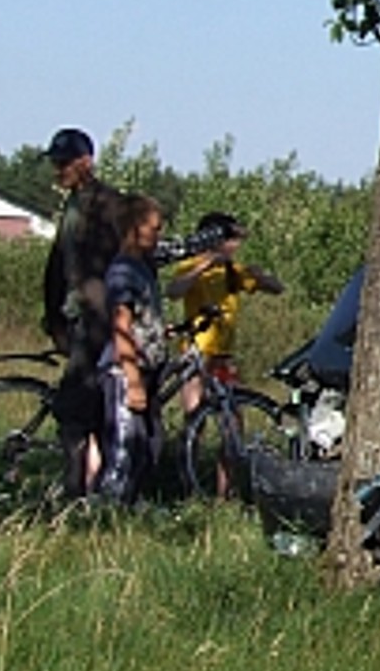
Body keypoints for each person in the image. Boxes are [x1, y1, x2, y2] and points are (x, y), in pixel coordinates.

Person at [40, 127, 125, 496]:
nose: (57, 170)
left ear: (85, 163)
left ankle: (82, 492)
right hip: (78, 319)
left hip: (100, 321)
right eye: (55, 164)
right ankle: (80, 488)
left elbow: (130, 265)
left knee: (88, 407)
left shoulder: (110, 205)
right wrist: (54, 318)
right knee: (80, 408)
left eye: (63, 163)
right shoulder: (73, 205)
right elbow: (57, 265)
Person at [164, 210, 286, 415]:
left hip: (223, 351)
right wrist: (203, 266)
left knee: (233, 409)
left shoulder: (231, 270)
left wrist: (262, 277)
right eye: (232, 240)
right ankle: (189, 444)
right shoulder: (190, 265)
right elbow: (174, 291)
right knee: (194, 408)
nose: (236, 246)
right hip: (198, 349)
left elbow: (277, 288)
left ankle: (231, 447)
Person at [94, 194, 170, 504]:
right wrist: (133, 380)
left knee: (150, 445)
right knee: (125, 447)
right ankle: (107, 512)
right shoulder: (123, 271)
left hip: (146, 369)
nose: (159, 234)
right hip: (124, 372)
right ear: (135, 228)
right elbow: (121, 325)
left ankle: (133, 504)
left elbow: (142, 321)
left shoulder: (144, 268)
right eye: (154, 227)